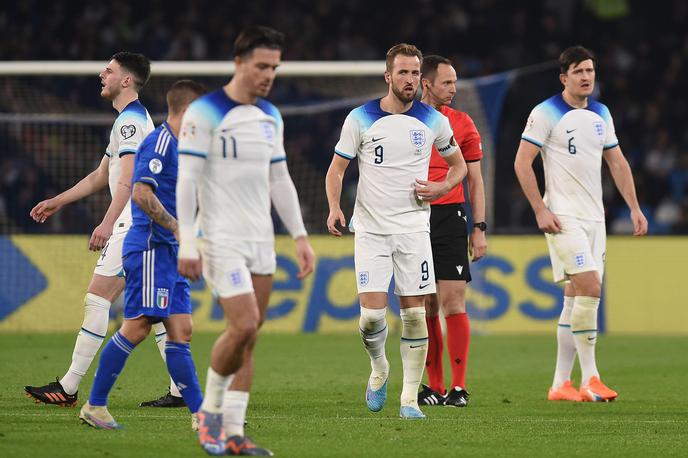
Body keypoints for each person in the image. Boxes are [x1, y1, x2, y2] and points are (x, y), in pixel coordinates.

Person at [176, 26, 315, 456]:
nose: (269, 74)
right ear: (239, 63)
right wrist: (187, 240)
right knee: (244, 324)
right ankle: (209, 414)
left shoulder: (271, 116)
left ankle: (234, 434)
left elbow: (279, 178)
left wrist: (300, 235)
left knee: (250, 338)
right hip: (220, 238)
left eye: (274, 67)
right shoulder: (205, 112)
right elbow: (187, 180)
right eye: (261, 66)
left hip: (261, 239)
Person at [325, 44, 467, 419]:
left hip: (414, 230)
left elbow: (459, 167)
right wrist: (335, 207)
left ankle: (407, 401)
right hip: (371, 229)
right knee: (371, 317)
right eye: (402, 73)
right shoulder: (361, 117)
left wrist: (439, 189)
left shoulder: (433, 121)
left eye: (415, 73)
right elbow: (337, 168)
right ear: (388, 76)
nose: (410, 80)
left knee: (415, 315)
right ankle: (379, 368)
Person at [24, 52, 171, 406]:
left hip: (133, 222)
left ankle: (69, 386)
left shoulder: (131, 123)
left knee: (97, 298)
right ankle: (182, 389)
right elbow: (102, 175)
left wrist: (107, 223)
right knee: (152, 309)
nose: (101, 74)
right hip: (143, 221)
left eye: (109, 70)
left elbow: (132, 178)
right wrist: (58, 201)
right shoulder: (127, 121)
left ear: (126, 81)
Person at [514, 46, 648, 402]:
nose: (586, 77)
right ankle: (591, 377)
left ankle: (560, 384)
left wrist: (634, 207)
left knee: (574, 298)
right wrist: (540, 209)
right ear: (564, 78)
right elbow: (522, 163)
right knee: (589, 287)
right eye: (578, 72)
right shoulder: (546, 112)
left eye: (590, 70)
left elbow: (617, 163)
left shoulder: (601, 113)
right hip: (563, 216)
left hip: (595, 218)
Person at [78, 80, 206, 430]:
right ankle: (95, 404)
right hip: (151, 248)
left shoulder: (186, 146)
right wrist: (177, 228)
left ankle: (201, 415)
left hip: (171, 250)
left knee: (182, 329)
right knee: (136, 329)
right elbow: (141, 193)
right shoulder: (160, 142)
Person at [417, 55, 487, 408]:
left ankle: (458, 387)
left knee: (453, 301)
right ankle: (434, 386)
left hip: (450, 217)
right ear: (426, 83)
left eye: (455, 81)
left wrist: (479, 227)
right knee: (426, 304)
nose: (454, 89)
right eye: (447, 82)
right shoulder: (405, 122)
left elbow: (475, 180)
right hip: (412, 217)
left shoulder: (461, 123)